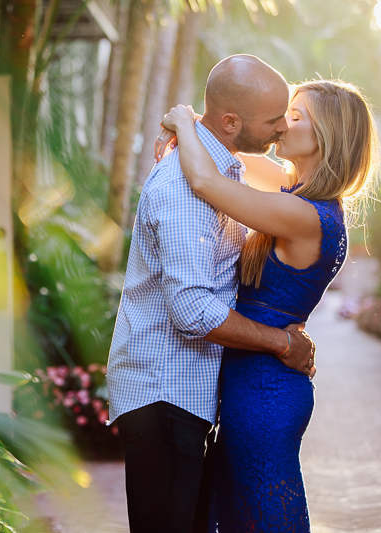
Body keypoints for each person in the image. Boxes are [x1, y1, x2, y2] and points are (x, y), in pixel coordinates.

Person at [156, 78, 381, 531]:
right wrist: (195, 126)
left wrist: (181, 117)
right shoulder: (293, 193)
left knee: (268, 520)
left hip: (265, 392)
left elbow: (205, 179)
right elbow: (230, 152)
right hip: (256, 384)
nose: (279, 126)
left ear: (326, 138)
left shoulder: (305, 216)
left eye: (293, 118)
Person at [106, 54, 316, 533]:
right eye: (273, 119)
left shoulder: (222, 168)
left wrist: (182, 119)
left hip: (185, 396)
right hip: (164, 397)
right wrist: (282, 342)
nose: (282, 128)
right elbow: (193, 311)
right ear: (230, 123)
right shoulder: (185, 185)